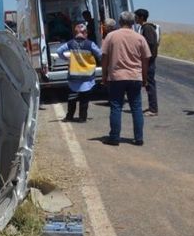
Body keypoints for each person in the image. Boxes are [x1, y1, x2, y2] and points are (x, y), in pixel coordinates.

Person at [101, 11, 151, 146]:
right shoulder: (139, 38)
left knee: (116, 107)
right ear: (133, 22)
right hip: (135, 77)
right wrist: (144, 78)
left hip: (116, 77)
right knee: (136, 107)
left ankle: (114, 137)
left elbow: (104, 57)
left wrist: (104, 75)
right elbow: (146, 59)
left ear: (119, 21)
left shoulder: (111, 36)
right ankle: (138, 138)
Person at [56, 23, 102, 122]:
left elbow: (59, 51)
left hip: (74, 77)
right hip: (87, 76)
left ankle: (69, 116)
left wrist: (65, 59)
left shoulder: (70, 43)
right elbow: (100, 54)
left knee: (72, 98)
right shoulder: (90, 44)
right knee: (84, 99)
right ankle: (82, 118)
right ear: (85, 33)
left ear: (75, 33)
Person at [135, 9, 160, 117]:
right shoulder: (144, 28)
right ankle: (151, 107)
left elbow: (150, 45)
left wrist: (146, 59)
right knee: (148, 84)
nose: (135, 18)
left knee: (149, 84)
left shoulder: (148, 28)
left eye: (136, 16)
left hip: (148, 61)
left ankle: (153, 109)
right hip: (147, 60)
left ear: (141, 17)